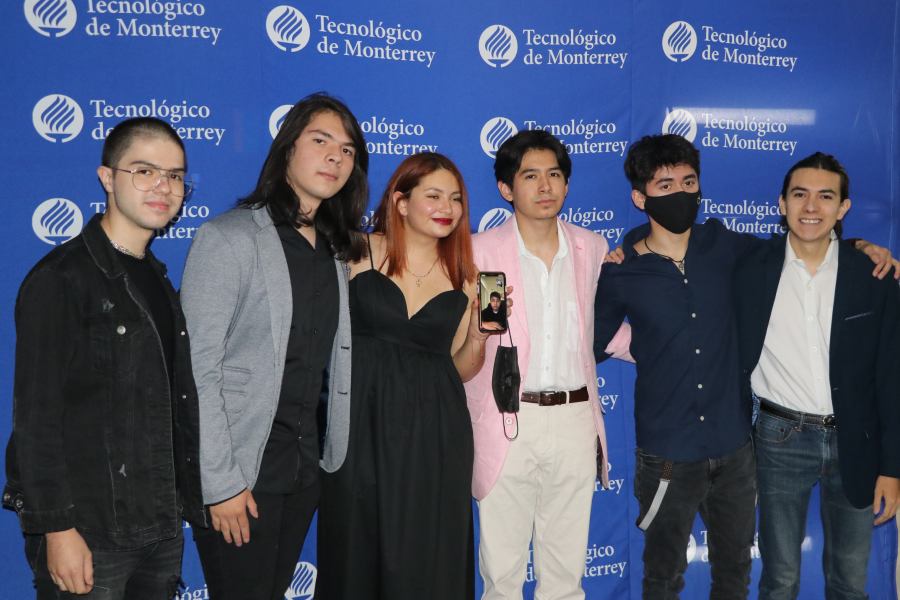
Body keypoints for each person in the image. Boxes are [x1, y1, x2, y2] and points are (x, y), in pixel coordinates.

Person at [593, 134, 897, 600]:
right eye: (665, 185)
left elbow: (808, 238)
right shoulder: (624, 268)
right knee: (666, 577)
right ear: (640, 197)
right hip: (675, 449)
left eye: (689, 182)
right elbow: (591, 341)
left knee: (742, 575)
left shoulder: (731, 249)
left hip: (737, 448)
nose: (680, 194)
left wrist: (857, 245)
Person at [3, 116, 204, 598]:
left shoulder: (157, 277)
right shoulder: (61, 279)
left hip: (159, 526)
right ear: (107, 178)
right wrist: (57, 530)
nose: (163, 186)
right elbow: (36, 421)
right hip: (91, 534)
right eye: (144, 170)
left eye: (175, 175)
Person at [179, 93, 367, 600]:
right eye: (321, 140)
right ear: (287, 149)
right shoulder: (230, 237)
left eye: (348, 150)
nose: (336, 157)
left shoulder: (333, 250)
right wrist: (220, 483)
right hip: (243, 474)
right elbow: (198, 371)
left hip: (306, 472)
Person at [316, 152, 498, 600]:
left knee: (426, 549)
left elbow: (459, 368)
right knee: (356, 546)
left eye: (455, 199)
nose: (447, 208)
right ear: (400, 202)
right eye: (433, 195)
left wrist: (477, 337)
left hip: (435, 431)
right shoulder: (356, 251)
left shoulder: (467, 277)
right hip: (361, 422)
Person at [464, 129, 632, 600]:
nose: (545, 186)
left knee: (565, 574)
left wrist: (665, 345)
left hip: (576, 418)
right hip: (507, 418)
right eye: (531, 175)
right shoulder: (479, 252)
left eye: (554, 174)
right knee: (502, 573)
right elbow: (464, 341)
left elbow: (602, 332)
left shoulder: (593, 247)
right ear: (505, 188)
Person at [735, 152, 900, 600]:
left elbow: (890, 375)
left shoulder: (874, 275)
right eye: (800, 195)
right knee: (780, 579)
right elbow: (677, 238)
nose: (811, 207)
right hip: (778, 438)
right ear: (781, 203)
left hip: (857, 440)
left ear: (843, 208)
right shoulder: (749, 266)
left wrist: (892, 467)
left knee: (850, 581)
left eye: (825, 197)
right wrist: (628, 245)